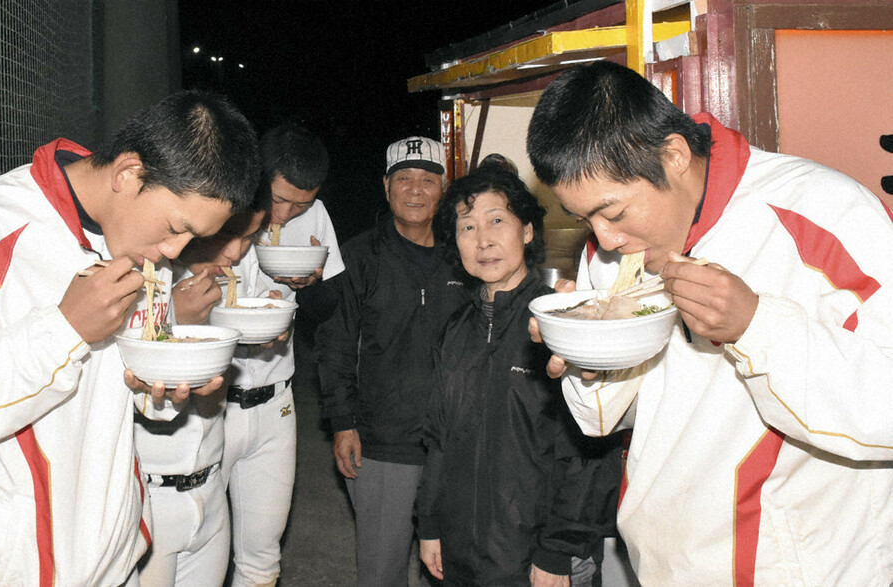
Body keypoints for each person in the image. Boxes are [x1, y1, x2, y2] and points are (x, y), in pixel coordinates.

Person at [525, 60, 893, 584]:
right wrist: (585, 354)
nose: (603, 238)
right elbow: (605, 419)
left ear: (673, 155)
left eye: (614, 212)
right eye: (585, 218)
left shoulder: (825, 212)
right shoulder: (609, 253)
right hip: (662, 564)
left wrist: (754, 325)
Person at [0, 90, 259, 586]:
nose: (174, 251)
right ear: (128, 174)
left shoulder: (145, 247)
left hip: (115, 564)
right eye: (175, 229)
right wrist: (66, 329)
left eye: (192, 239)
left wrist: (164, 385)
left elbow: (140, 394)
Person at [416, 166, 621, 586]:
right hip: (465, 554)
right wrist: (430, 523)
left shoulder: (561, 324)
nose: (483, 240)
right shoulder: (455, 330)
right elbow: (438, 439)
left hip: (538, 559)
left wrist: (558, 551)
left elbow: (592, 450)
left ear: (527, 231)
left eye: (497, 221)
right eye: (467, 226)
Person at [316, 136, 468, 586]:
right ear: (386, 186)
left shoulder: (464, 256)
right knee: (382, 572)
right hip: (383, 443)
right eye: (404, 178)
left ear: (444, 189)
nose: (416, 189)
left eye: (427, 179)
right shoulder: (359, 256)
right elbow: (336, 344)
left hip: (456, 442)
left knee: (455, 568)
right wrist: (342, 421)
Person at [221, 123, 345, 587]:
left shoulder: (312, 216)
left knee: (261, 558)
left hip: (276, 400)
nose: (289, 213)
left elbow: (330, 306)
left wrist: (309, 286)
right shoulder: (220, 207)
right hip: (213, 404)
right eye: (280, 199)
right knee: (202, 553)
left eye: (303, 203)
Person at [134, 200, 271, 586]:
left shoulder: (216, 287)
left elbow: (211, 400)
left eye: (248, 238)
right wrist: (175, 320)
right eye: (227, 234)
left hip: (210, 491)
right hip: (150, 497)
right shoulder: (146, 276)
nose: (235, 253)